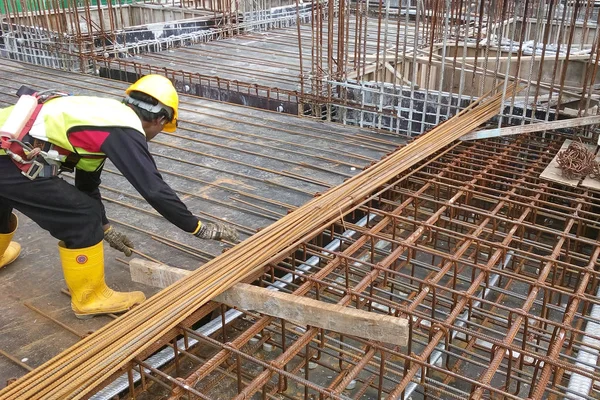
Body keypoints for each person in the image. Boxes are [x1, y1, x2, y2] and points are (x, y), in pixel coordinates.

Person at [0, 75, 239, 319]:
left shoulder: (101, 116)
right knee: (82, 216)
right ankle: (90, 298)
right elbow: (153, 189)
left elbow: (87, 184)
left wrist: (105, 229)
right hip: (6, 156)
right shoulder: (125, 128)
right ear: (160, 119)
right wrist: (197, 228)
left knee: (4, 197)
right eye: (162, 128)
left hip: (5, 150)